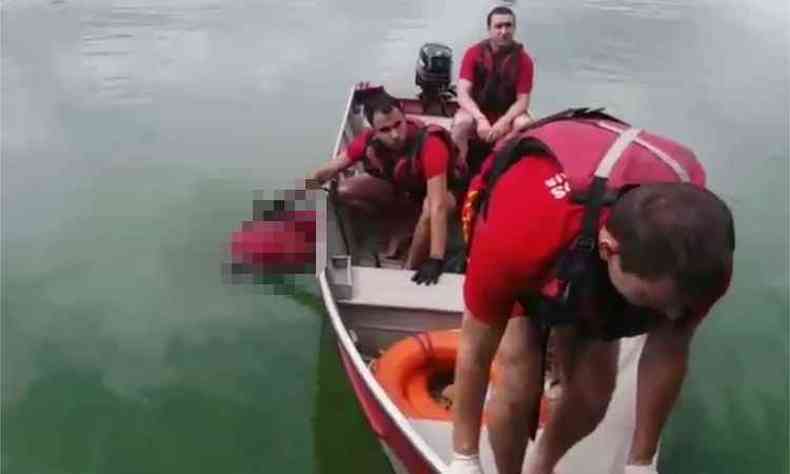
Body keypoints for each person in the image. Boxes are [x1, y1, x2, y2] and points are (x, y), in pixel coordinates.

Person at [449, 111, 735, 474]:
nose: (675, 315)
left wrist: (640, 462)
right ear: (608, 251)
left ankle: (542, 465)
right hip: (536, 231)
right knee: (516, 384)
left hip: (603, 253)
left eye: (680, 305)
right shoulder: (518, 232)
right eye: (653, 302)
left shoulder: (705, 260)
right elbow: (474, 350)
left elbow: (670, 348)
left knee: (593, 395)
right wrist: (463, 457)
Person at [307, 92, 460, 285]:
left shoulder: (431, 145)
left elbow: (437, 205)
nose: (395, 135)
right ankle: (393, 230)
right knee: (345, 191)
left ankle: (408, 269)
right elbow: (327, 171)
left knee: (430, 210)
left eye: (398, 124)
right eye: (385, 130)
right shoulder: (367, 141)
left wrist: (435, 258)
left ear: (405, 118)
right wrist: (297, 195)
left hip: (444, 193)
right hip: (405, 191)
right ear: (374, 131)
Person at [452, 5, 535, 173]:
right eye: (498, 26)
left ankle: (506, 171)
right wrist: (480, 118)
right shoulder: (473, 54)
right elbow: (462, 94)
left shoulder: (524, 61)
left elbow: (523, 101)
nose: (504, 31)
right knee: (462, 122)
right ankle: (458, 172)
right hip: (476, 111)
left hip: (507, 113)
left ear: (514, 28)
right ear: (489, 29)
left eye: (508, 26)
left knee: (524, 123)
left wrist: (503, 122)